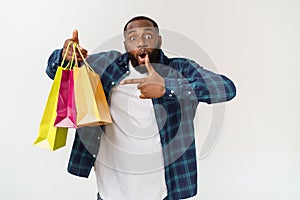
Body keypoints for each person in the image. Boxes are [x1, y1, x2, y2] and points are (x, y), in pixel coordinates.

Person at [46, 16, 236, 200]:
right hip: (110, 185)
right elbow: (57, 71)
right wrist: (64, 56)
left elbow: (227, 88)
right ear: (125, 44)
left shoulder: (179, 68)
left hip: (160, 187)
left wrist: (168, 88)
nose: (141, 42)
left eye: (148, 36)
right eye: (133, 38)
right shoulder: (107, 64)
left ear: (159, 40)